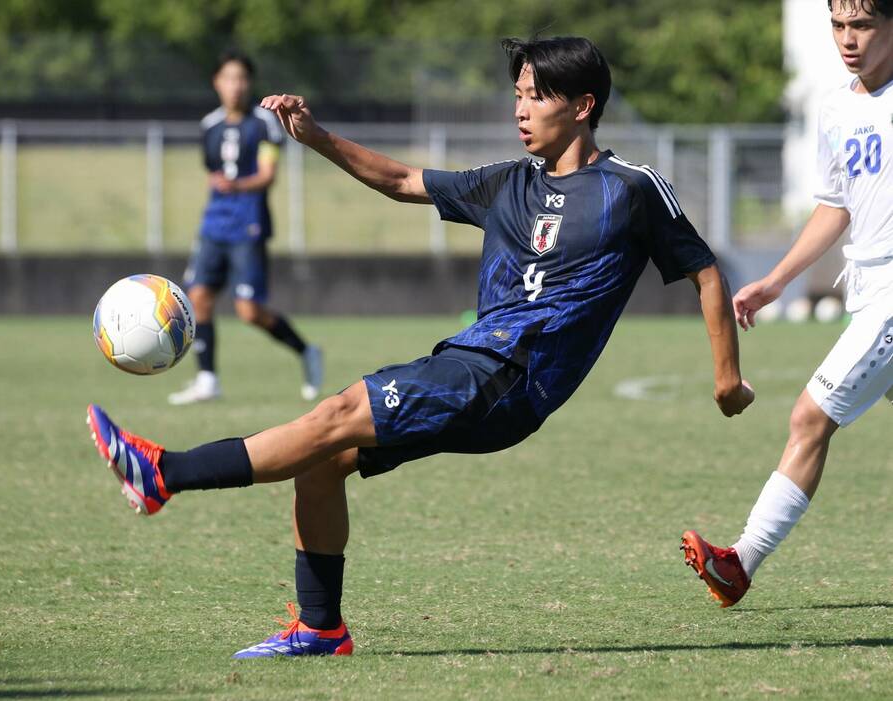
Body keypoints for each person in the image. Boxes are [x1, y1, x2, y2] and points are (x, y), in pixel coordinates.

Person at [87, 36, 754, 657]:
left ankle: (163, 474)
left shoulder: (630, 190)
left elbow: (703, 269)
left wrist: (727, 378)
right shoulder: (508, 183)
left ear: (583, 107)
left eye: (536, 96)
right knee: (323, 458)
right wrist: (315, 137)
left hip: (508, 377)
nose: (520, 109)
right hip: (469, 361)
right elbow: (406, 181)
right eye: (517, 93)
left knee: (333, 414)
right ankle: (320, 626)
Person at [682, 0, 893, 608]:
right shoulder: (836, 107)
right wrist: (777, 280)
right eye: (838, 25)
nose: (847, 39)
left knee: (809, 417)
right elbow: (837, 206)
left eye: (862, 25)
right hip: (868, 287)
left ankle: (739, 564)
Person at [169, 49, 323, 405]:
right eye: (228, 78)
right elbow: (212, 172)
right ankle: (207, 379)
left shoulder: (264, 122)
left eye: (241, 79)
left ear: (249, 83)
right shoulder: (209, 126)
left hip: (248, 224)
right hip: (213, 224)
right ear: (216, 83)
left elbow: (269, 175)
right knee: (199, 298)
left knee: (249, 311)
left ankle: (306, 351)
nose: (235, 86)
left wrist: (236, 186)